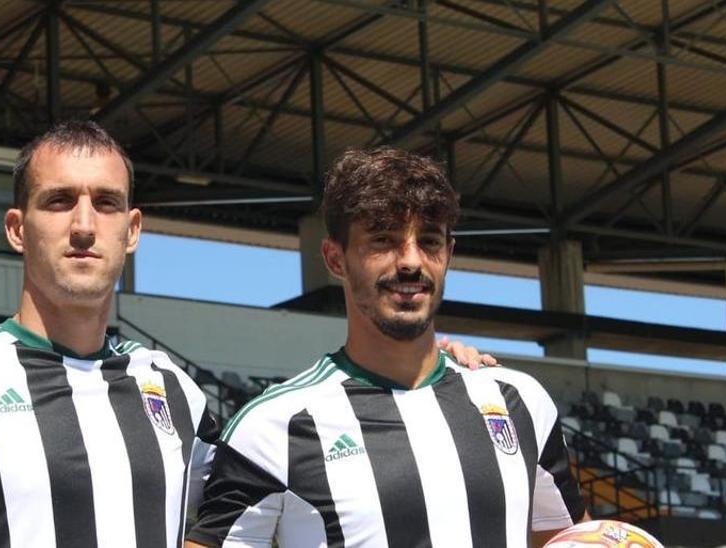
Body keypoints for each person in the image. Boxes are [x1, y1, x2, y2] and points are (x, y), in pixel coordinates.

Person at [0, 122, 494, 548]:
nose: (82, 223)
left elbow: (281, 480)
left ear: (132, 232)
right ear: (17, 229)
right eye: (58, 201)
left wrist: (436, 378)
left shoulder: (176, 392)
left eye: (105, 203)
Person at [186, 147, 589, 548]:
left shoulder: (518, 401)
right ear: (335, 258)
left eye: (429, 241)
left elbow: (572, 540)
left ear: (448, 254)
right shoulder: (273, 427)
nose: (411, 261)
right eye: (384, 239)